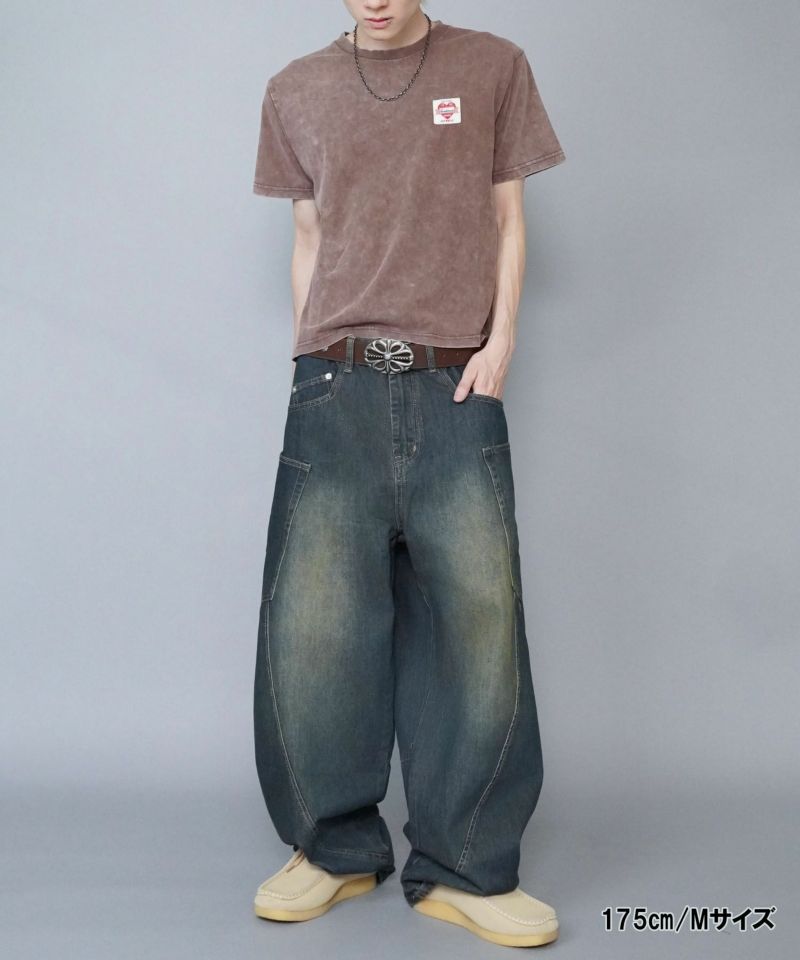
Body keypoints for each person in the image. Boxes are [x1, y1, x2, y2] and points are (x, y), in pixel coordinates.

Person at [250, 1, 566, 947]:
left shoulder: (494, 65)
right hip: (335, 385)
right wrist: (309, 363)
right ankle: (333, 852)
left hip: (454, 383)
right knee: (315, 631)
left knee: (478, 629)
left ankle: (468, 867)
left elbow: (508, 217)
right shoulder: (295, 88)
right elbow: (309, 238)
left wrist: (501, 343)